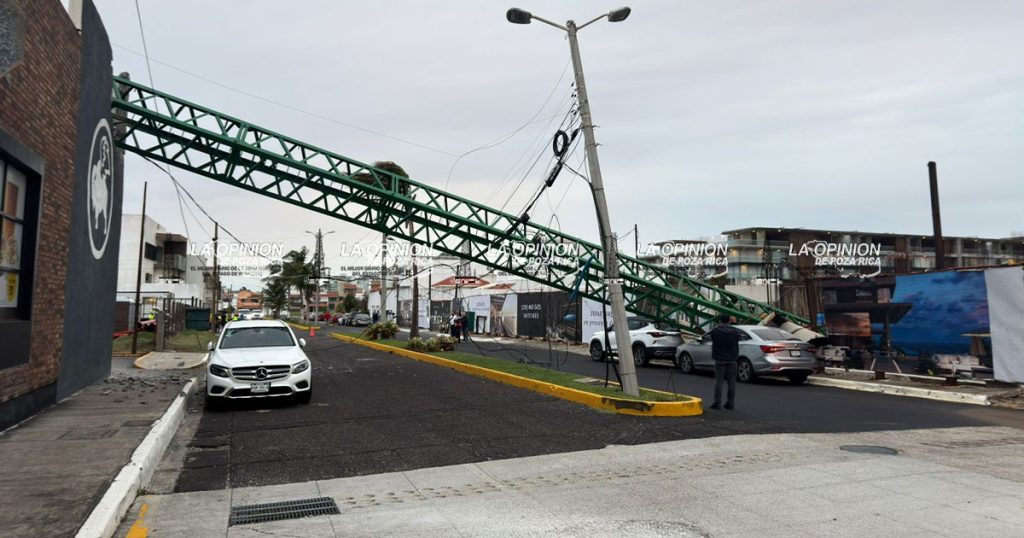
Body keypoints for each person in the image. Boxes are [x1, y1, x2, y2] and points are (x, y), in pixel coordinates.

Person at [708, 314, 741, 410]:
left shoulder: (715, 331)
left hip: (719, 359)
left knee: (719, 382)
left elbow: (711, 338)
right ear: (729, 321)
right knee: (732, 383)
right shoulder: (735, 331)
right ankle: (730, 403)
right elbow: (738, 339)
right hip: (732, 359)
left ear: (720, 321)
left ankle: (717, 403)